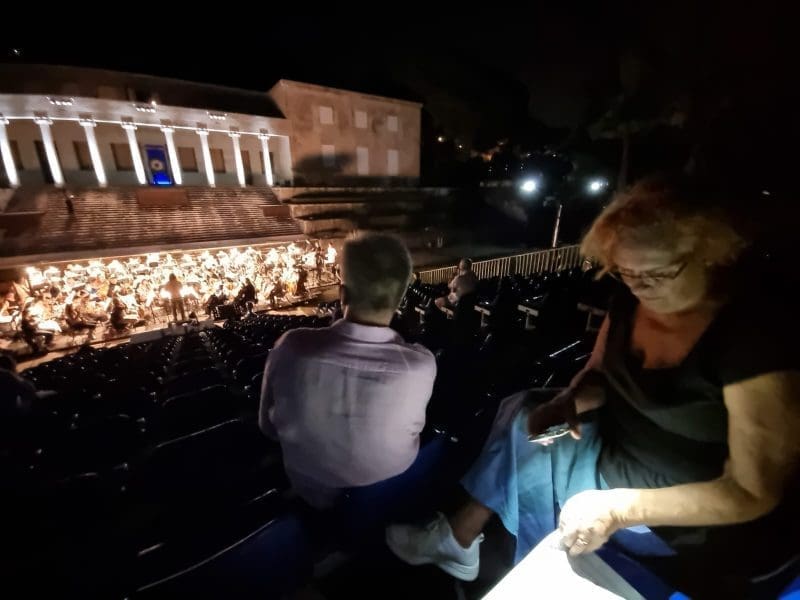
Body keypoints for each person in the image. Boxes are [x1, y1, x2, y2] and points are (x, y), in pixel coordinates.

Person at [386, 175, 800, 597]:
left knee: (526, 457)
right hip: (615, 452)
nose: (639, 285)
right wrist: (569, 399)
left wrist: (621, 508)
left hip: (681, 510)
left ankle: (487, 548)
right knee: (524, 412)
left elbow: (753, 492)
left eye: (658, 273)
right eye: (625, 271)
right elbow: (599, 375)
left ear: (710, 253)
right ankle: (490, 548)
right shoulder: (628, 304)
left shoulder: (753, 340)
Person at [259, 233, 437, 508]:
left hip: (309, 499)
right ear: (400, 299)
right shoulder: (422, 365)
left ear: (342, 295)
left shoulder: (292, 346)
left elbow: (268, 428)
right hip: (389, 499)